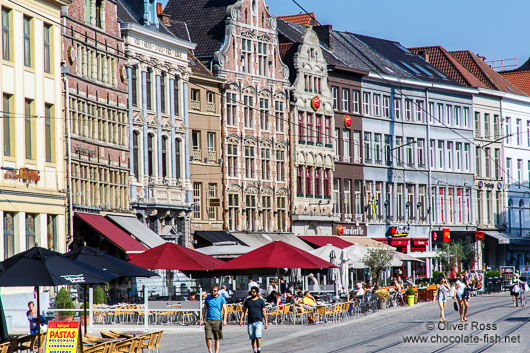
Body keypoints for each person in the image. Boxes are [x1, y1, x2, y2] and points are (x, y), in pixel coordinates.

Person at [200, 285, 228, 353]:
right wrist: (202, 319)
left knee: (217, 338)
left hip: (217, 320)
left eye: (215, 291)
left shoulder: (221, 299)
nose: (213, 292)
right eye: (212, 290)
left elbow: (225, 310)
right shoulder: (208, 298)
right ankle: (210, 351)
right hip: (208, 320)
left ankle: (216, 351)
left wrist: (224, 320)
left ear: (218, 291)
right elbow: (204, 309)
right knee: (208, 337)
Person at [240, 287, 267, 353]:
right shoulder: (247, 301)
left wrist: (266, 321)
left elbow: (264, 311)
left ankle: (259, 350)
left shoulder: (260, 301)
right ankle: (254, 351)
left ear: (257, 293)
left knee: (258, 336)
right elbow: (243, 311)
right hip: (250, 321)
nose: (252, 293)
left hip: (258, 321)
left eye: (254, 292)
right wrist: (241, 319)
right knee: (253, 338)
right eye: (251, 292)